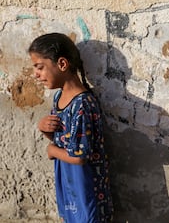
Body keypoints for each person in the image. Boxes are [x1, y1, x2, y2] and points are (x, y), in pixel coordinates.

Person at [29, 33, 113, 222]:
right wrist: (46, 131)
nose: (36, 74)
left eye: (40, 67)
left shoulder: (82, 104)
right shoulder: (59, 98)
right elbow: (69, 141)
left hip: (86, 185)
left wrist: (51, 150)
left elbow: (80, 155)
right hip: (70, 181)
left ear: (62, 64)